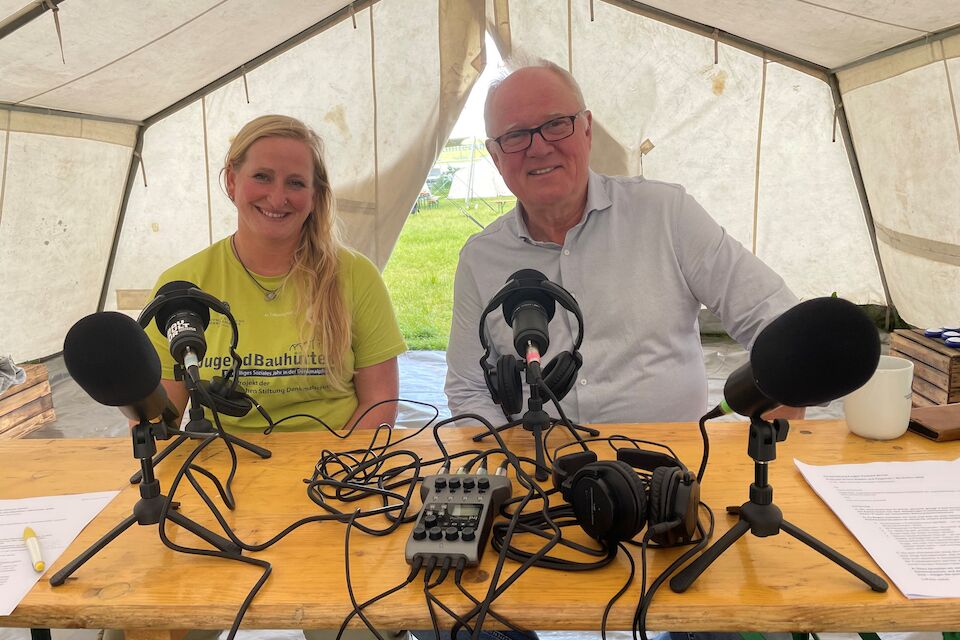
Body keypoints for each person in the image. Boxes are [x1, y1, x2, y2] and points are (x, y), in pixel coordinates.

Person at [445, 60, 802, 428]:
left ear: (586, 130)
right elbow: (468, 387)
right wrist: (503, 462)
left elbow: (774, 318)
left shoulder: (667, 214)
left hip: (669, 470)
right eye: (516, 135)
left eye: (555, 125)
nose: (538, 148)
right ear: (495, 156)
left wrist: (778, 408)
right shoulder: (480, 258)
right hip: (537, 467)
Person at [145, 114, 406, 433]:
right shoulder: (183, 286)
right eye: (262, 176)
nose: (278, 197)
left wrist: (336, 470)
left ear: (314, 195)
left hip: (335, 471)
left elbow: (380, 401)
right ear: (231, 181)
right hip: (223, 469)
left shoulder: (355, 275)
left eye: (295, 183)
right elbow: (160, 419)